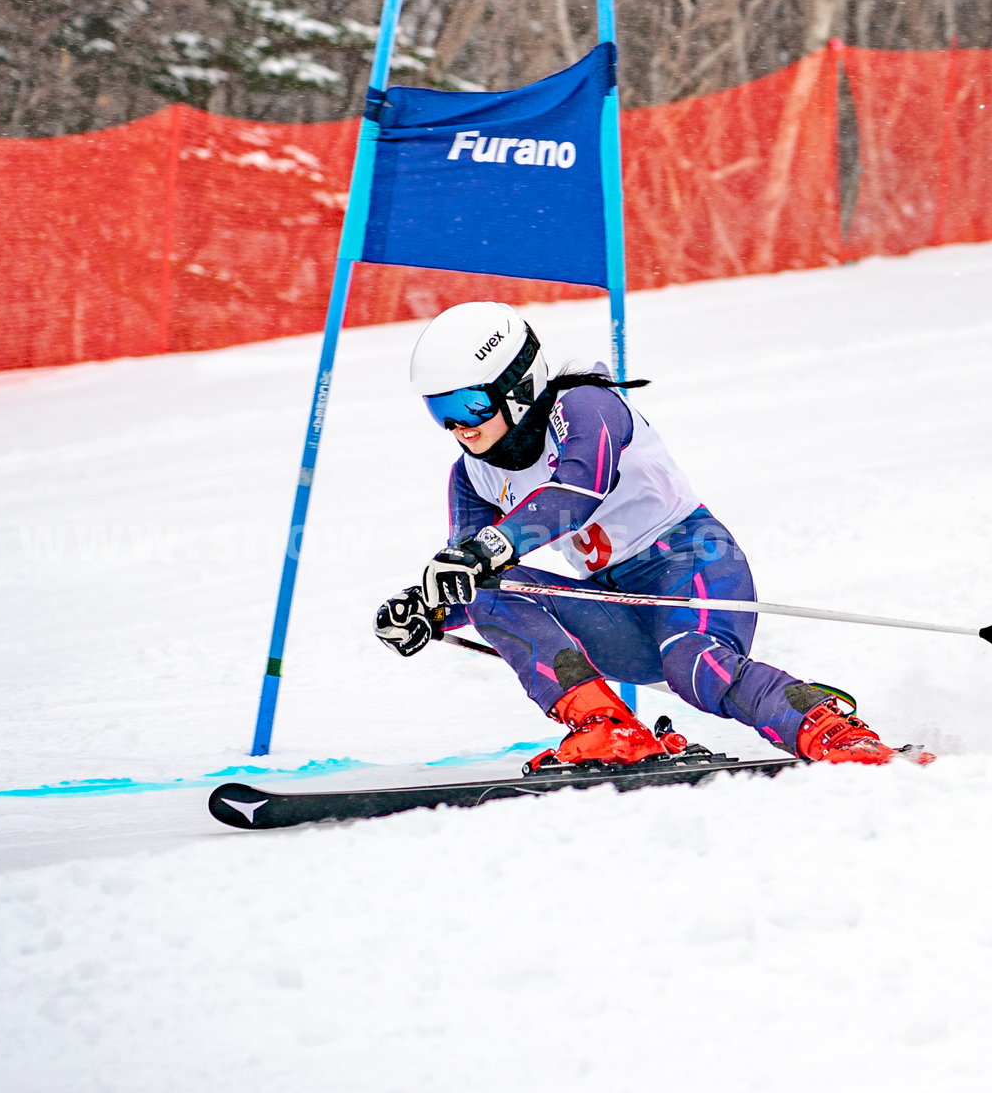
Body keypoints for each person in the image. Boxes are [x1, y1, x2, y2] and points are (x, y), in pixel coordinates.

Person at [374, 300, 921, 769]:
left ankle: (830, 730)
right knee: (487, 585)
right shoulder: (471, 476)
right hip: (619, 602)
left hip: (694, 563)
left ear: (517, 386)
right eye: (438, 412)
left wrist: (485, 551)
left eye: (469, 404)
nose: (457, 426)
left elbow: (575, 492)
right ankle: (606, 727)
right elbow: (470, 569)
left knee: (695, 666)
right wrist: (428, 608)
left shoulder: (586, 406)